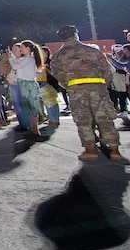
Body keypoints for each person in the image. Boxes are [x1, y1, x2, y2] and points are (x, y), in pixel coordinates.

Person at [50, 25, 123, 162]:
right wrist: (102, 83)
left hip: (76, 91)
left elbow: (59, 76)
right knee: (104, 118)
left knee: (83, 120)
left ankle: (90, 150)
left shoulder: (58, 56)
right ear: (76, 35)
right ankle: (115, 150)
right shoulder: (91, 50)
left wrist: (72, 86)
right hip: (97, 89)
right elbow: (107, 70)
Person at [9, 40, 45, 137]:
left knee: (32, 107)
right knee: (30, 107)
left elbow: (15, 67)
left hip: (28, 84)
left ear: (28, 49)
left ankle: (35, 130)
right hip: (26, 83)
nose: (20, 50)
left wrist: (10, 59)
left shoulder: (28, 59)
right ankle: (34, 129)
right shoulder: (27, 59)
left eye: (22, 48)